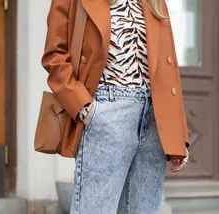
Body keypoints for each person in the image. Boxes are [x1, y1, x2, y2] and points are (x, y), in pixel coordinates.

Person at [42, 0, 190, 213]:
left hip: (155, 121)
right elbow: (55, 55)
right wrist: (86, 109)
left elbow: (169, 66)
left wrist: (178, 133)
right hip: (107, 114)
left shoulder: (155, 2)